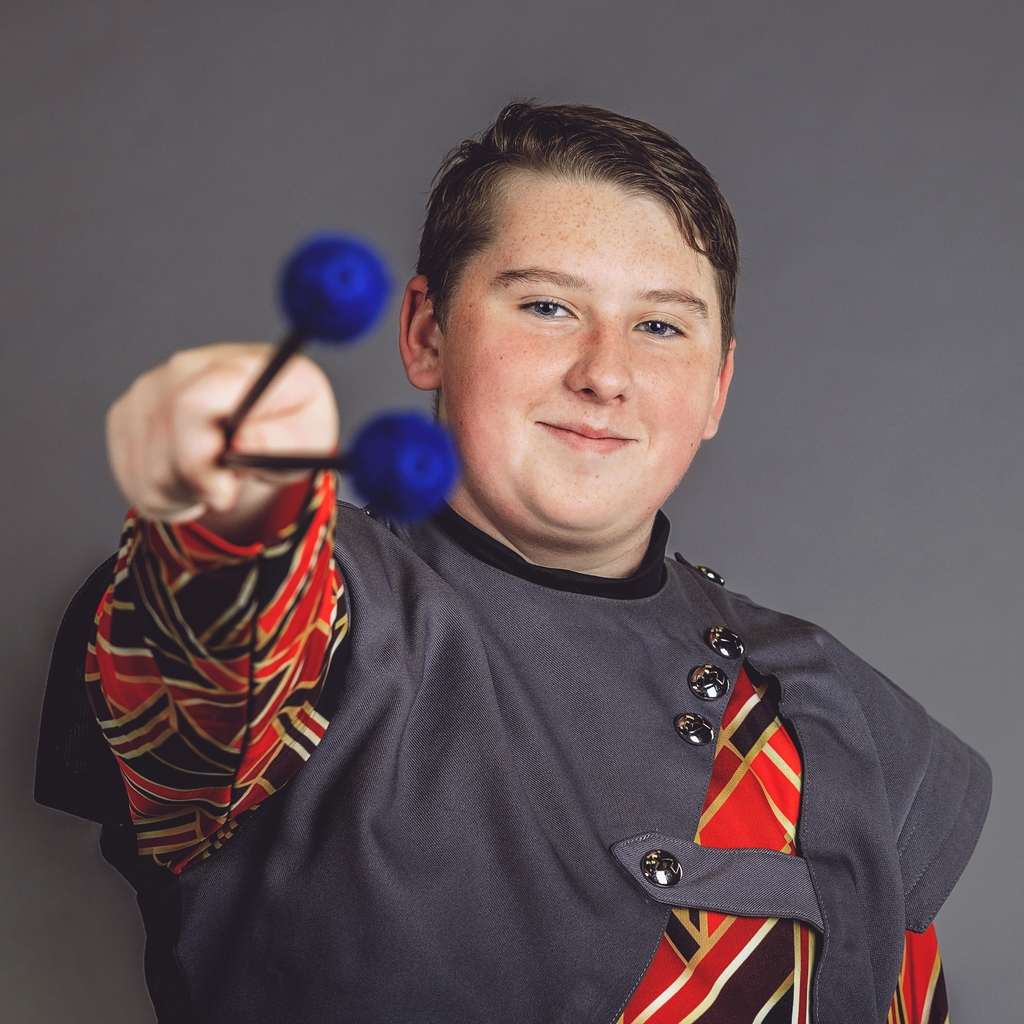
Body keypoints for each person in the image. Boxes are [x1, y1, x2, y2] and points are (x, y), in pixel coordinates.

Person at [35, 101, 990, 1024]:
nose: (604, 373)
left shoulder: (845, 716)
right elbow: (194, 686)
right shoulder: (325, 609)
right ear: (426, 333)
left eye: (661, 326)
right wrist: (220, 527)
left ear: (717, 387)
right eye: (545, 305)